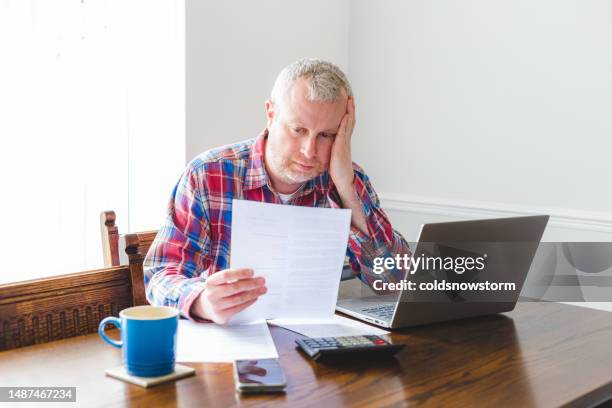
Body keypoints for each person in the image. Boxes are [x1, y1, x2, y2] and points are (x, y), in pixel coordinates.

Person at [144, 58, 411, 324]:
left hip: (315, 345)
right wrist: (202, 301)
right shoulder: (208, 174)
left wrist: (346, 188)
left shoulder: (346, 181)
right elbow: (160, 276)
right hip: (230, 343)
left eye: (326, 135)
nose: (309, 150)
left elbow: (397, 281)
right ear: (271, 114)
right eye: (299, 130)